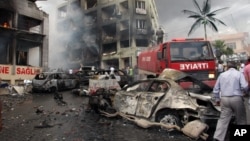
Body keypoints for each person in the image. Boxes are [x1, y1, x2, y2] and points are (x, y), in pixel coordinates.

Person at [213, 62, 248, 141]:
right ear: (235, 67)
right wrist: (245, 92)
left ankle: (217, 138)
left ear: (227, 67)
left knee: (223, 119)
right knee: (241, 119)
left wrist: (217, 99)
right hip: (237, 98)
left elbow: (216, 89)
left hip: (224, 99)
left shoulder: (222, 75)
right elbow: (245, 86)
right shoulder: (239, 74)